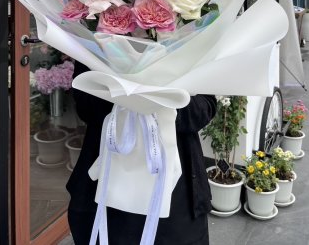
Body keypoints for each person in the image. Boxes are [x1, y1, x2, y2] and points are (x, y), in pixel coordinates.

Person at [67, 62, 217, 245]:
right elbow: (85, 103)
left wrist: (162, 101)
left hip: (178, 194)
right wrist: (126, 95)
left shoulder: (194, 42)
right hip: (107, 183)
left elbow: (205, 107)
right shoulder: (99, 39)